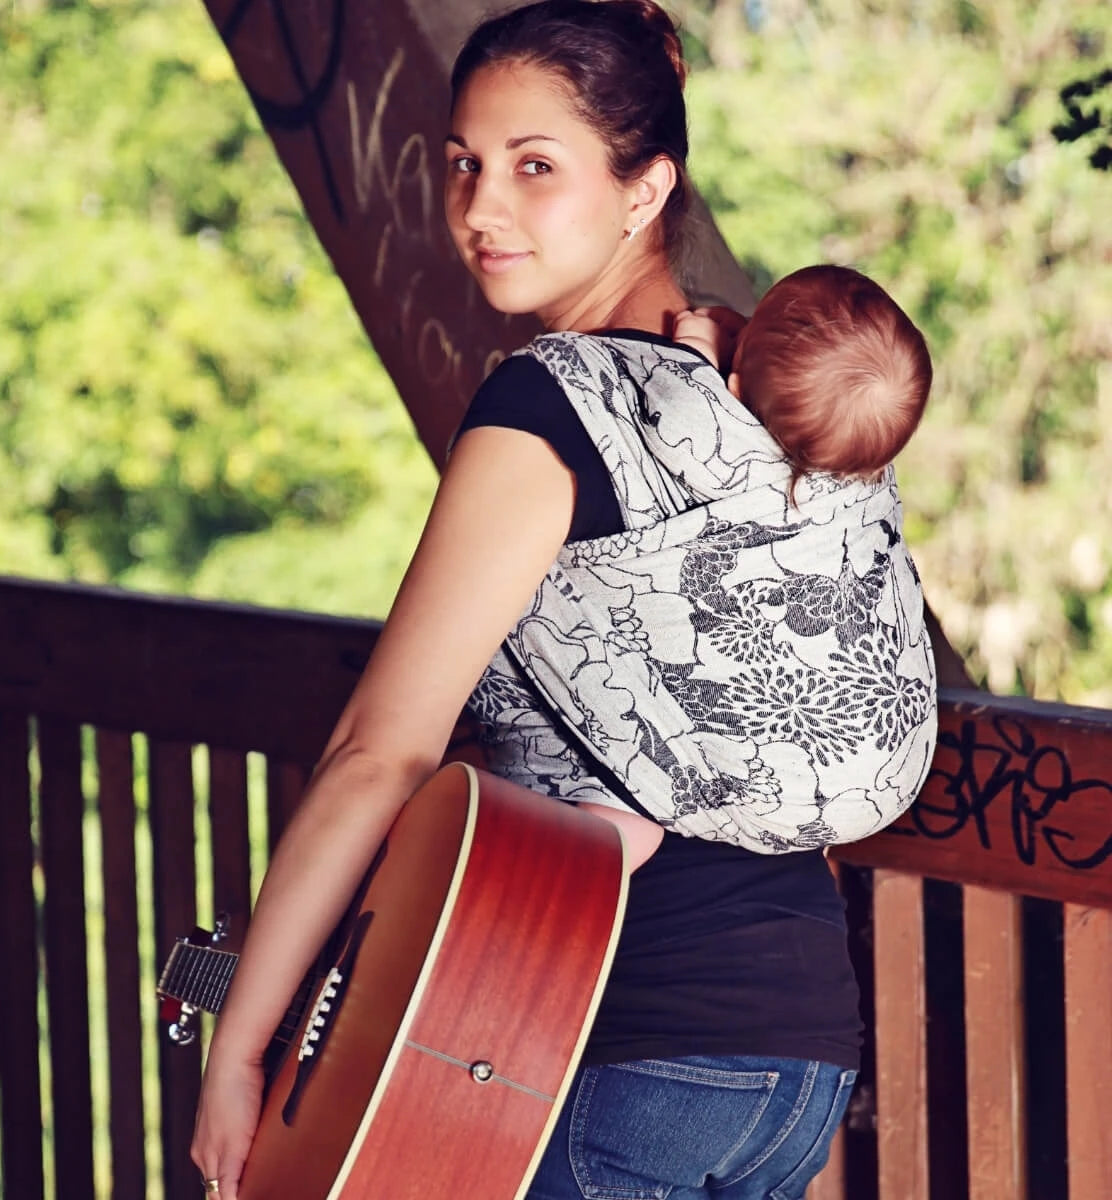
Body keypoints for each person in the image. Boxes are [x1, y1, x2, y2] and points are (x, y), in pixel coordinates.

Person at [192, 3, 937, 1196]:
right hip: (795, 1059)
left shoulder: (549, 407)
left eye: (536, 168)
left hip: (604, 1045)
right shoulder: (762, 399)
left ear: (646, 189)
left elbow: (376, 756)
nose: (483, 209)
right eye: (464, 165)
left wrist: (237, 1052)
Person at [673, 263, 932, 487]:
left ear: (736, 391)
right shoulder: (848, 456)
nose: (742, 323)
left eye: (748, 324)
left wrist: (700, 352)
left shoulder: (739, 463)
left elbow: (686, 408)